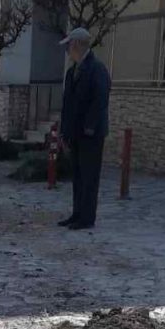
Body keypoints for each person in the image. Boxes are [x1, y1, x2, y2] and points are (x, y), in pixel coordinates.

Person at [57, 27, 110, 231]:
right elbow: (68, 104)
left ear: (77, 44)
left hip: (91, 135)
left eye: (69, 46)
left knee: (89, 177)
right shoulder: (72, 72)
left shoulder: (97, 69)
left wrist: (89, 128)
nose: (67, 51)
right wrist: (64, 132)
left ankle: (87, 217)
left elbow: (100, 101)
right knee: (78, 176)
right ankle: (77, 213)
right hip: (75, 133)